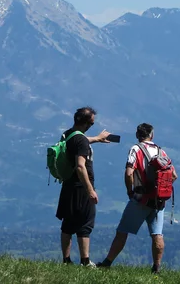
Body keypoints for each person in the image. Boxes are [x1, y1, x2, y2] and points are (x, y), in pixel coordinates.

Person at [97, 123, 177, 274]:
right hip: (159, 201)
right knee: (157, 234)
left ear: (137, 135)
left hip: (140, 199)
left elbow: (129, 173)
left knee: (122, 232)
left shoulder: (136, 149)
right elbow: (174, 176)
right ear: (152, 135)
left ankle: (107, 263)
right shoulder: (162, 152)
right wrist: (160, 189)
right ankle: (156, 268)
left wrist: (130, 191)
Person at [55, 106, 111, 267]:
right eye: (91, 123)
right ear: (86, 123)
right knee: (85, 223)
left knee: (68, 223)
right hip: (81, 187)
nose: (91, 126)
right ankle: (85, 261)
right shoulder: (81, 141)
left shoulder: (68, 134)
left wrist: (98, 139)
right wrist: (90, 190)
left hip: (68, 185)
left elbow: (79, 141)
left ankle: (66, 261)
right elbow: (81, 166)